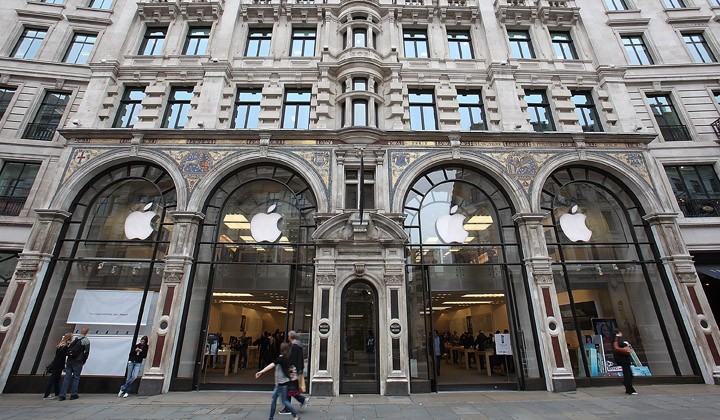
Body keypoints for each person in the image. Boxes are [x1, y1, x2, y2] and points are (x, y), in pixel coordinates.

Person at [255, 342, 300, 420]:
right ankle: (293, 415)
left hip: (280, 383)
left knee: (280, 400)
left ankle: (273, 417)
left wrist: (261, 372)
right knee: (280, 399)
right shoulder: (287, 358)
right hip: (285, 382)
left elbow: (271, 365)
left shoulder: (281, 359)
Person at [279, 331, 309, 414]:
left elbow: (293, 360)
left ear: (289, 337)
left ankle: (301, 400)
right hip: (296, 370)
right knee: (290, 389)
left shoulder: (294, 347)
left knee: (290, 389)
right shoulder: (298, 346)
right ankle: (290, 406)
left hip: (293, 371)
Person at [58, 327, 91, 401]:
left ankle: (62, 395)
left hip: (70, 361)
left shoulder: (75, 339)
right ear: (86, 333)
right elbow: (86, 352)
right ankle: (73, 394)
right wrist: (84, 360)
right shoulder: (86, 341)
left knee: (67, 378)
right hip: (78, 361)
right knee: (76, 378)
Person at [43, 333, 73, 400]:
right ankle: (46, 394)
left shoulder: (60, 346)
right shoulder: (65, 347)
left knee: (56, 379)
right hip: (58, 365)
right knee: (53, 379)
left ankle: (57, 392)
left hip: (56, 364)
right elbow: (62, 358)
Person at [613, 330, 637, 395]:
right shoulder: (618, 338)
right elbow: (620, 345)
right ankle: (629, 389)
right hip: (624, 359)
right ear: (619, 333)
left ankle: (627, 387)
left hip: (622, 359)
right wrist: (627, 344)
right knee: (628, 374)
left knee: (628, 374)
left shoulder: (615, 339)